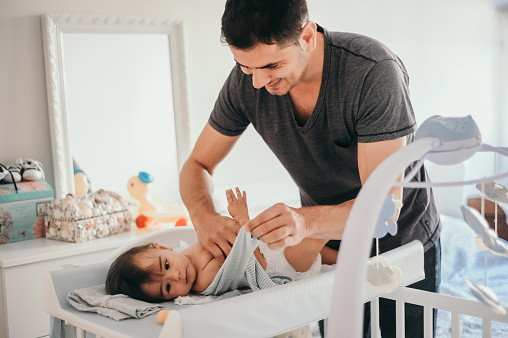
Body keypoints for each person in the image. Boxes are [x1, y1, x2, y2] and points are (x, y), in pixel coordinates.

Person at [178, 1, 441, 337]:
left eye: (271, 65)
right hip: (325, 251)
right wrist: (204, 217)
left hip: (400, 243)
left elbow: (383, 210)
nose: (258, 82)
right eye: (245, 67)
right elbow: (197, 165)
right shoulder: (247, 81)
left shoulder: (373, 72)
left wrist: (303, 222)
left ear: (307, 36)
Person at [105, 188, 326, 303]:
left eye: (165, 266)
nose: (177, 276)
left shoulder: (187, 252)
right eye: (168, 288)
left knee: (340, 249)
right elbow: (249, 259)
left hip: (270, 245)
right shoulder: (202, 281)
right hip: (281, 262)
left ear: (162, 247)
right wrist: (242, 217)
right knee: (325, 224)